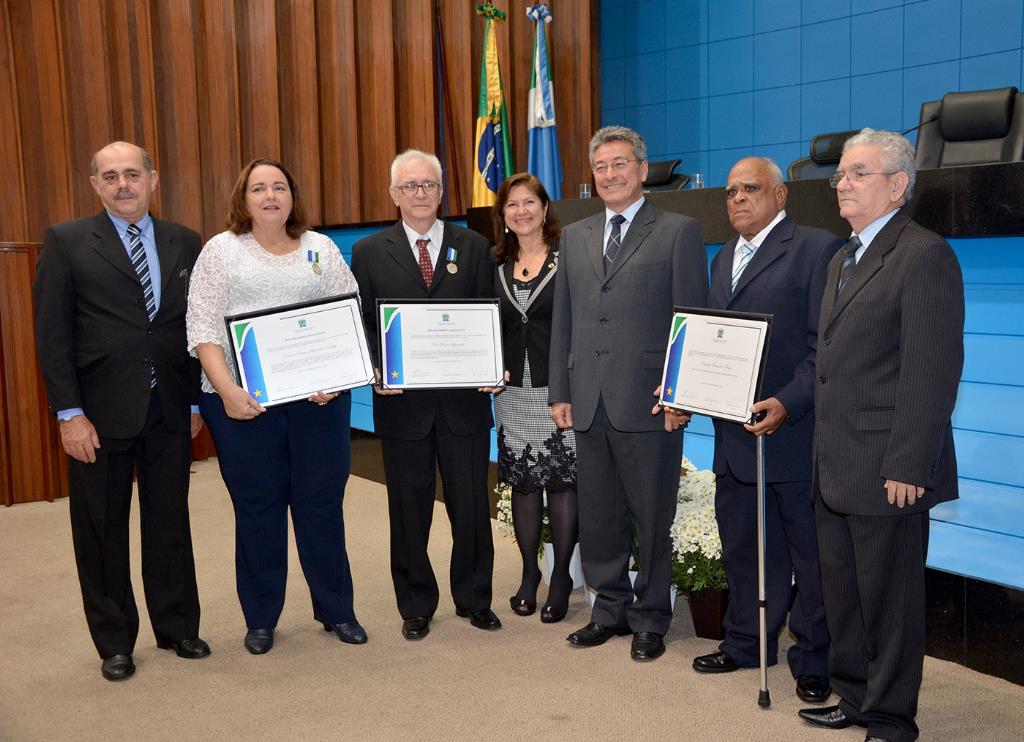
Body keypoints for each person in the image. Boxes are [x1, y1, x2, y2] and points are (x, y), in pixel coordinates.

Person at [797, 129, 964, 742]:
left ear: (896, 185)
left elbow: (932, 368)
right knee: (843, 591)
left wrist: (909, 464)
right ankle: (854, 693)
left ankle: (892, 716)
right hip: (835, 461)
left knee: (890, 601)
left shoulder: (923, 254)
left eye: (857, 173)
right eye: (841, 173)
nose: (842, 183)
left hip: (889, 466)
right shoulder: (844, 257)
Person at [33, 141, 209, 681]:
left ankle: (177, 626)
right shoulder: (66, 242)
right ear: (95, 185)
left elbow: (198, 327)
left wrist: (199, 397)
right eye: (110, 177)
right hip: (98, 415)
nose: (123, 184)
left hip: (170, 407)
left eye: (132, 173)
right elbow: (53, 335)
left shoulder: (186, 241)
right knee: (101, 527)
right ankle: (114, 641)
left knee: (170, 522)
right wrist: (69, 413)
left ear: (153, 178)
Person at [186, 157, 365, 655]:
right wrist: (226, 391)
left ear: (292, 196)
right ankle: (261, 618)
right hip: (243, 405)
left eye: (280, 186)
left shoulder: (320, 248)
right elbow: (202, 328)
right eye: (259, 188)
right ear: (243, 199)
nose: (270, 196)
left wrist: (335, 377)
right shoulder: (220, 251)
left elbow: (346, 315)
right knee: (258, 508)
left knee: (322, 506)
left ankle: (337, 610)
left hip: (319, 403)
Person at [549, 126, 708, 661]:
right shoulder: (574, 234)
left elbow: (692, 319)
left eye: (620, 164)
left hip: (649, 402)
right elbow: (564, 321)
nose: (611, 174)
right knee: (599, 515)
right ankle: (608, 609)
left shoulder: (678, 231)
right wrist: (561, 389)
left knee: (651, 515)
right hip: (588, 400)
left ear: (642, 170)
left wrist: (681, 395)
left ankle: (651, 618)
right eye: (601, 167)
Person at [691, 157, 839, 702]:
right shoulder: (724, 256)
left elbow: (822, 346)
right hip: (735, 438)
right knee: (746, 549)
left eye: (750, 189)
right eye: (730, 191)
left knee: (809, 557)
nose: (737, 199)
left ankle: (815, 658)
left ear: (781, 195)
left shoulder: (815, 248)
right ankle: (747, 644)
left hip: (792, 434)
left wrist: (789, 402)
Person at [352, 149, 499, 640]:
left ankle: (476, 598)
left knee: (472, 507)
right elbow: (366, 325)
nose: (419, 194)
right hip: (402, 406)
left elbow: (489, 314)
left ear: (441, 192)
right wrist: (374, 364)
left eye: (428, 185)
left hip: (464, 405)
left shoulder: (475, 246)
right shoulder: (370, 252)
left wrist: (492, 362)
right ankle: (416, 604)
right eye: (409, 186)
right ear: (394, 194)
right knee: (408, 509)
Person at [491, 173, 578, 623]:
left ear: (545, 209)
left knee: (562, 484)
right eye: (512, 205)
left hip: (558, 389)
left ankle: (561, 576)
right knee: (523, 485)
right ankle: (529, 575)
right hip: (510, 392)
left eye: (530, 202)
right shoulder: (495, 267)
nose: (521, 211)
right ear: (502, 216)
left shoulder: (571, 259)